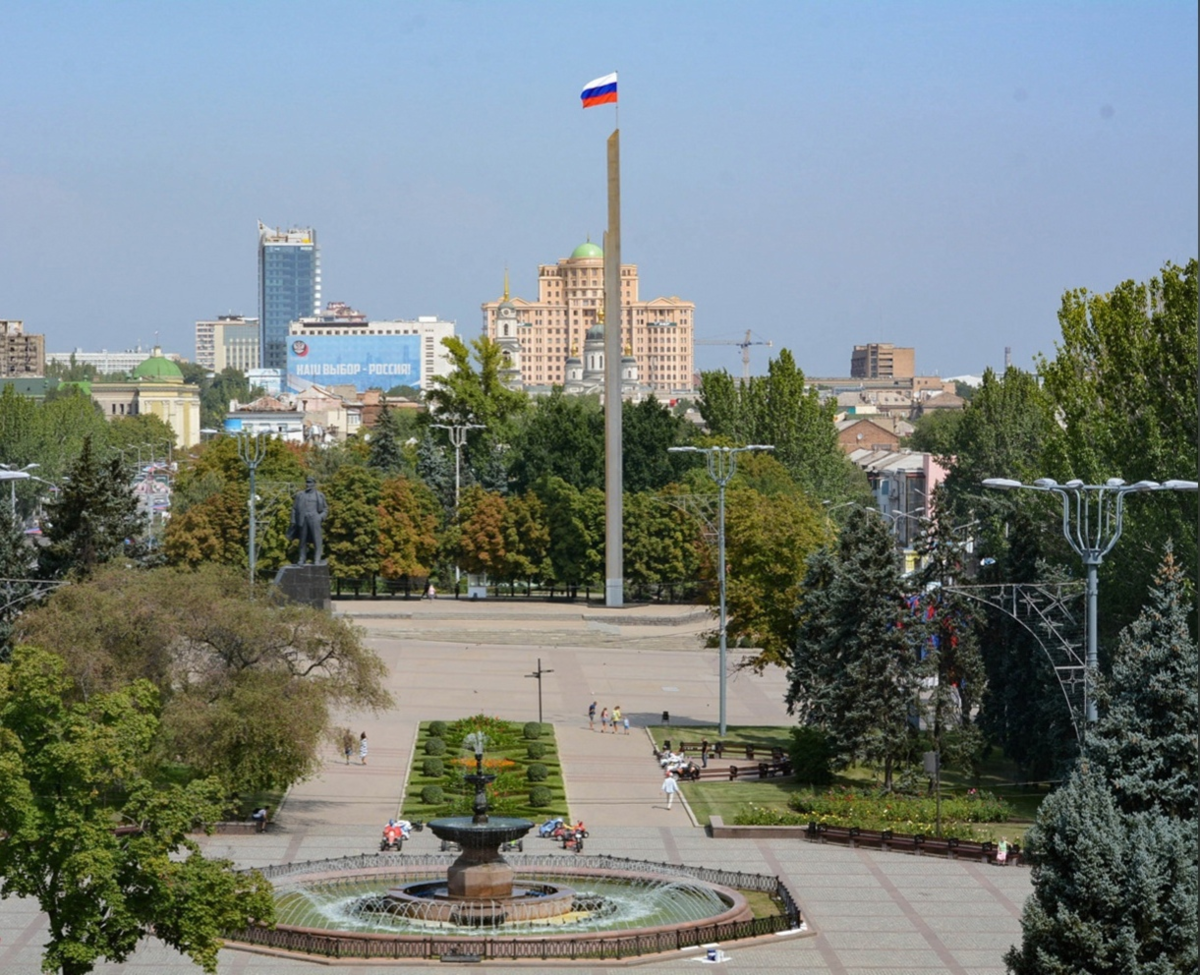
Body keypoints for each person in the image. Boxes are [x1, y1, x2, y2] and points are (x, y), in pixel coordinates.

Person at [288, 477, 328, 564]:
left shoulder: (319, 495)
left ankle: (317, 559)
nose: (307, 484)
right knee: (302, 540)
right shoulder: (300, 495)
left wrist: (320, 517)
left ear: (314, 483)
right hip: (303, 519)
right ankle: (302, 558)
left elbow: (325, 509)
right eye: (307, 482)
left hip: (315, 519)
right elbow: (294, 509)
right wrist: (293, 521)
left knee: (317, 540)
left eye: (309, 482)